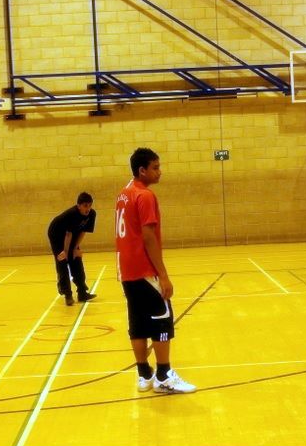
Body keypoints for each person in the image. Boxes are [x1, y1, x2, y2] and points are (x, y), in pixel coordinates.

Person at [115, 147, 196, 394]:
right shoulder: (145, 196)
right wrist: (163, 275)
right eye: (155, 167)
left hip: (126, 270)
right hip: (144, 270)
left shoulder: (124, 194)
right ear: (142, 170)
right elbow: (148, 236)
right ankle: (163, 375)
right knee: (162, 321)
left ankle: (144, 374)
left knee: (137, 322)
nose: (160, 172)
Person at [47, 192, 98, 306]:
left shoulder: (92, 214)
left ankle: (82, 292)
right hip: (56, 234)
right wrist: (65, 252)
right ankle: (67, 294)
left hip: (72, 235)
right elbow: (68, 234)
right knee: (62, 261)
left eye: (90, 205)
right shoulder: (72, 214)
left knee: (76, 260)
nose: (88, 209)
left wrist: (75, 248)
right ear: (78, 205)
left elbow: (83, 231)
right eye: (85, 206)